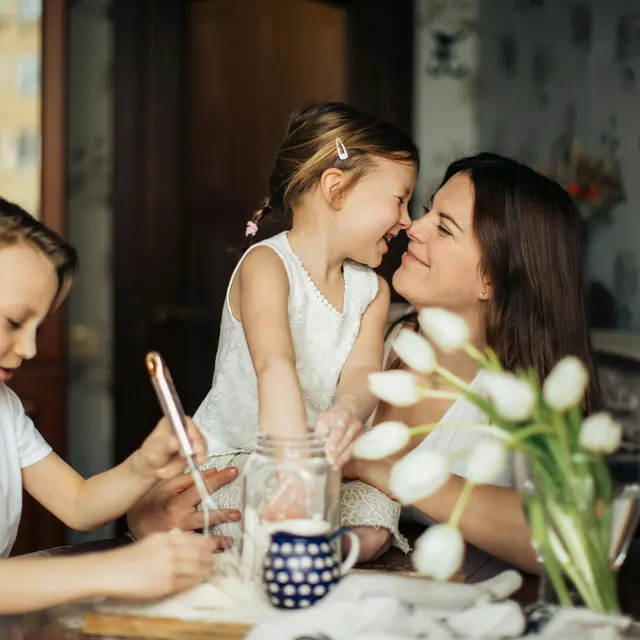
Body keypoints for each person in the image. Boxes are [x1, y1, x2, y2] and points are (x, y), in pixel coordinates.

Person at [345, 152, 600, 573]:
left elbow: (574, 540)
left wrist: (387, 469)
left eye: (444, 227)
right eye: (429, 210)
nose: (414, 225)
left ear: (492, 279)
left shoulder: (523, 402)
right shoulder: (370, 330)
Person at [193, 102, 419, 561]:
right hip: (241, 460)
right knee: (261, 512)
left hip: (321, 467)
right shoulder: (267, 266)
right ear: (336, 188)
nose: (408, 220)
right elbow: (274, 367)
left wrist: (347, 412)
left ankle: (316, 549)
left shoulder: (371, 291)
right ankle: (299, 543)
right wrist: (292, 469)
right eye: (400, 199)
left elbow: (361, 374)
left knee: (377, 516)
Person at [0, 197, 220, 613]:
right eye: (14, 322)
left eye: (39, 327)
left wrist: (145, 464)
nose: (29, 347)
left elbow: (78, 504)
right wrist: (116, 570)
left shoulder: (5, 407)